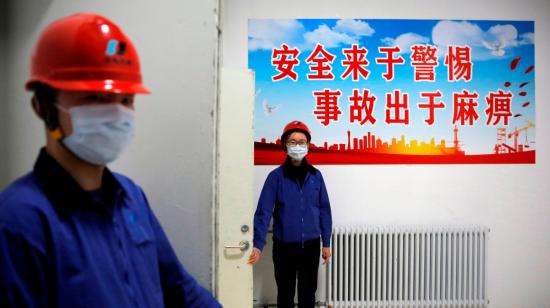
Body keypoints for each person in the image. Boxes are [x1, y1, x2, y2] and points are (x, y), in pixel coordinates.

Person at [0, 13, 221, 308]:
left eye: (126, 100)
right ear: (42, 107)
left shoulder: (131, 198)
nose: (116, 114)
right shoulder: (18, 221)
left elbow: (179, 289)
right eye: (94, 98)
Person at [248, 120, 333, 308]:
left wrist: (326, 242)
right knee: (285, 295)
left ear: (308, 146)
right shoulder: (275, 177)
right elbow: (263, 213)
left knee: (308, 294)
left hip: (310, 246)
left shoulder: (316, 176)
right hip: (284, 247)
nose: (297, 146)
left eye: (302, 142)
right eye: (292, 142)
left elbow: (324, 210)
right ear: (285, 145)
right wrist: (257, 245)